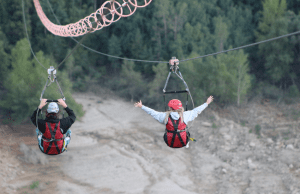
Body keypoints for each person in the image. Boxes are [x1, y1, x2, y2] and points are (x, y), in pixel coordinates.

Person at [134, 96, 213, 148]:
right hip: (183, 142)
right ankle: (187, 143)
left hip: (170, 143)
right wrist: (207, 103)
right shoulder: (185, 115)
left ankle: (184, 141)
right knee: (186, 132)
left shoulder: (165, 116)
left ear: (170, 108)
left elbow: (152, 112)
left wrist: (142, 106)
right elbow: (197, 110)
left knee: (168, 133)